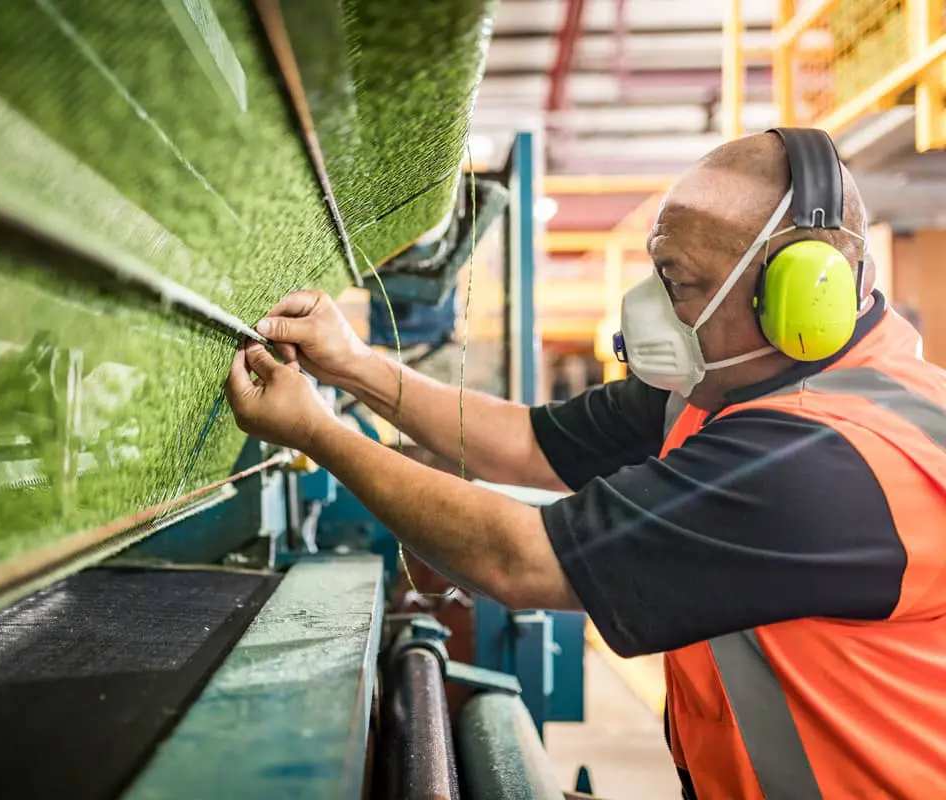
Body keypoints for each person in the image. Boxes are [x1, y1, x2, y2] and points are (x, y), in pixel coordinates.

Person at [223, 128, 946, 799]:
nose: (652, 310)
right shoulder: (736, 378)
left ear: (800, 297)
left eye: (681, 283)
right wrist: (355, 367)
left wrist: (317, 433)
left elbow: (520, 560)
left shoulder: (826, 463)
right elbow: (530, 443)